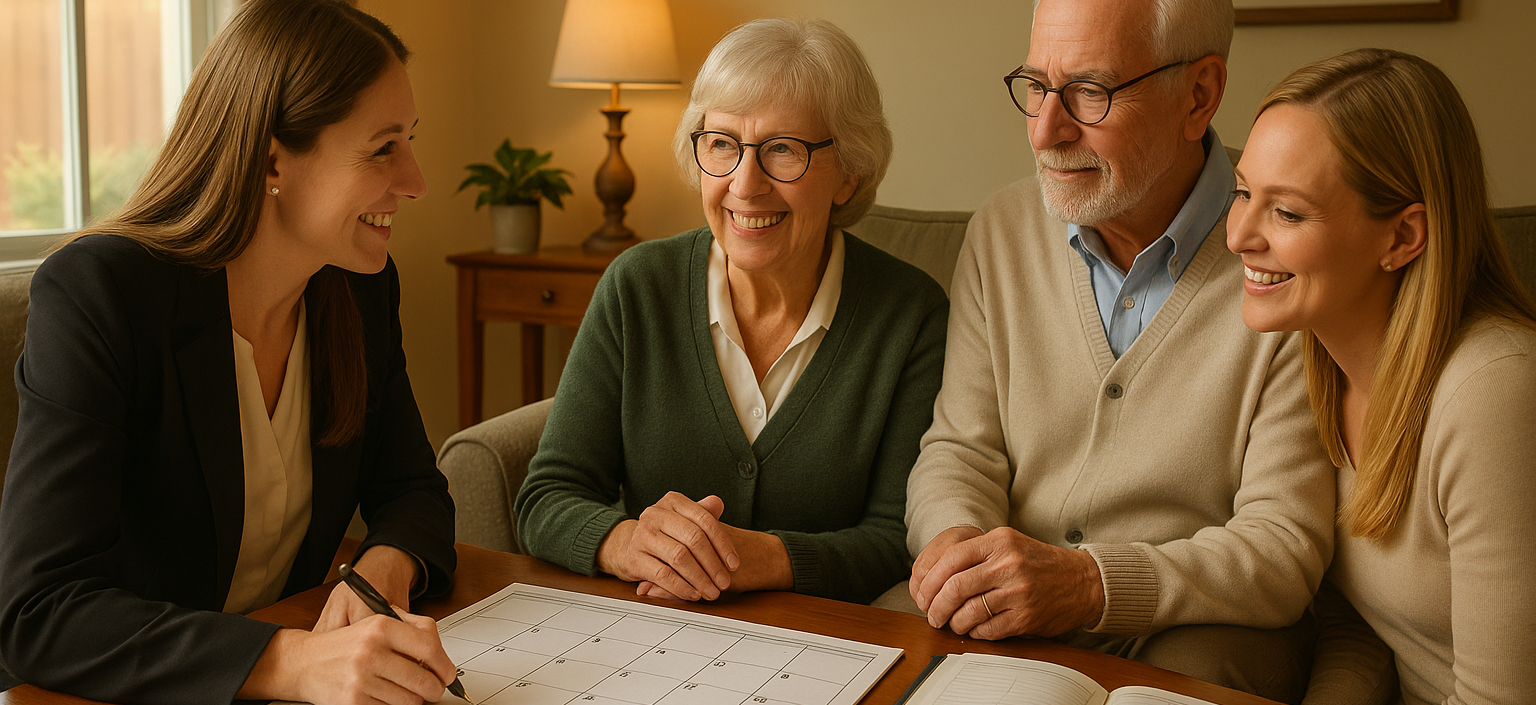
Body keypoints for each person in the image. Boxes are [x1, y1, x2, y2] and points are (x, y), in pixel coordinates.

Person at [0, 1, 459, 703]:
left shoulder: (359, 290)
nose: (416, 180)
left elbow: (412, 490)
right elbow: (42, 611)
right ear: (273, 157)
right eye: (383, 147)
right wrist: (295, 663)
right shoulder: (101, 295)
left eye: (411, 140)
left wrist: (382, 569)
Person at [895, 0, 1335, 700]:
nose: (1045, 131)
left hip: (1198, 625)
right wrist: (958, 549)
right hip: (1009, 611)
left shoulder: (1287, 249)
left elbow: (1281, 548)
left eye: (1090, 92)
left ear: (1199, 96)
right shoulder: (1000, 230)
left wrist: (1087, 582)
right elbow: (961, 448)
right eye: (1037, 85)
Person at [514, 18, 947, 606]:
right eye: (722, 144)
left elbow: (898, 537)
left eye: (783, 150)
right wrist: (625, 542)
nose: (744, 185)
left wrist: (763, 557)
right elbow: (546, 496)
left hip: (826, 647)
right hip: (652, 634)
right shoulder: (637, 286)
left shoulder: (911, 315)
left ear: (850, 172)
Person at [1227, 48, 1536, 705]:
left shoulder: (1497, 390)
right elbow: (1361, 624)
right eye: (1243, 192)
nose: (1239, 235)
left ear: (1402, 237)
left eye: (1287, 212)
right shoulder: (1319, 362)